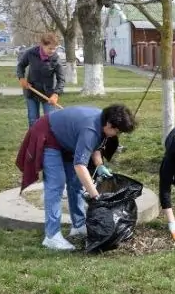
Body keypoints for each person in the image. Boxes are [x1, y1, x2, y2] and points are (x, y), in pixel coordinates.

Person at [16, 104, 137, 250]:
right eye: (117, 131)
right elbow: (80, 165)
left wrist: (99, 165)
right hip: (49, 135)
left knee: (75, 182)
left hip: (66, 139)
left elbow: (95, 145)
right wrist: (95, 196)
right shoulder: (90, 129)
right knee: (56, 184)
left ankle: (78, 225)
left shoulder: (103, 120)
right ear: (109, 124)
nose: (116, 135)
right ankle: (52, 236)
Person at [17, 32, 65, 128]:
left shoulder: (55, 59)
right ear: (42, 45)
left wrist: (56, 94)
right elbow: (20, 66)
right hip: (31, 91)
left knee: (50, 120)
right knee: (33, 120)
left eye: (54, 48)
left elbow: (61, 79)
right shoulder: (31, 53)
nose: (52, 51)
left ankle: (48, 137)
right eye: (50, 48)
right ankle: (34, 137)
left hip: (48, 94)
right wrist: (21, 78)